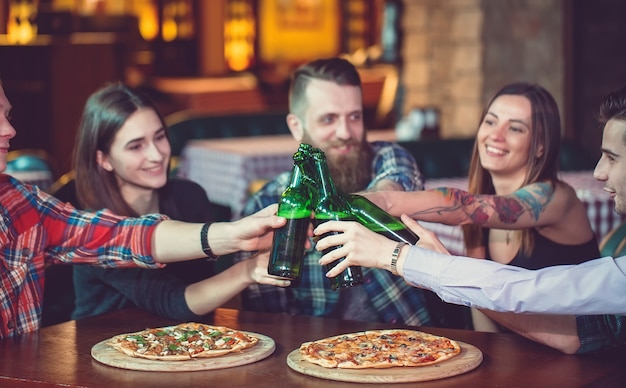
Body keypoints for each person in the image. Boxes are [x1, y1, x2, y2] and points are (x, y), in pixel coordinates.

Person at [314, 85, 626, 354]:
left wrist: (379, 204)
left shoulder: (556, 198)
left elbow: (465, 206)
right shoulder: (480, 220)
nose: (496, 134)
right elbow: (485, 322)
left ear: (541, 145)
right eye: (490, 121)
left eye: (516, 127)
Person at [0, 79, 289, 338]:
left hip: (178, 344)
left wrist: (237, 235)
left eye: (160, 137)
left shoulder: (19, 200)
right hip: (104, 352)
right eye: (135, 146)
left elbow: (122, 237)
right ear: (104, 159)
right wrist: (245, 265)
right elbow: (172, 301)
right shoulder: (95, 208)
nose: (156, 154)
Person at [236, 57, 449, 328]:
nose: (346, 132)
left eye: (355, 116)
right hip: (317, 352)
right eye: (329, 119)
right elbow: (268, 321)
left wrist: (347, 206)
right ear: (296, 126)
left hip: (414, 340)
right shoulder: (267, 205)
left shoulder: (386, 157)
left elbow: (395, 181)